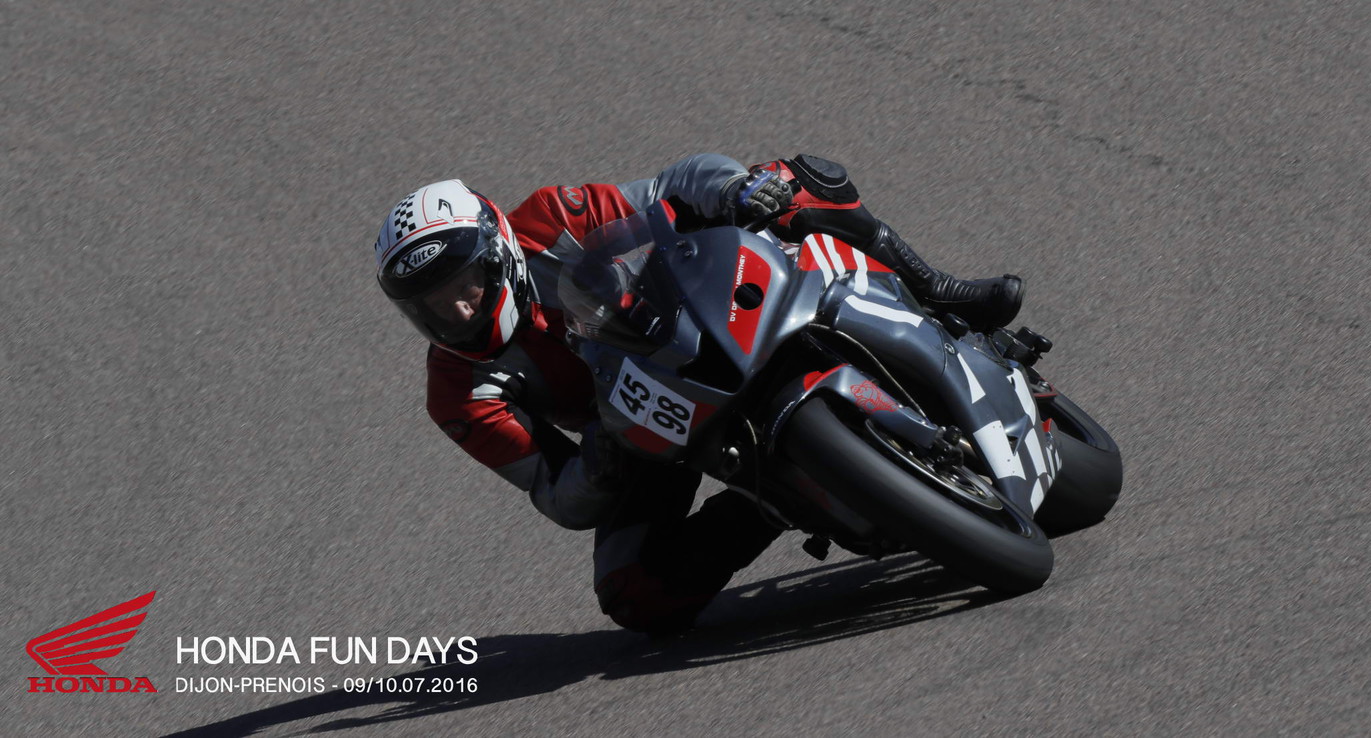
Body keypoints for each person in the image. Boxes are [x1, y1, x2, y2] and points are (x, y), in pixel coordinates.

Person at [374, 153, 1023, 634]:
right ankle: (776, 499)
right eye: (430, 305)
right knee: (634, 594)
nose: (456, 310)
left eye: (463, 283)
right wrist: (598, 464)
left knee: (799, 180)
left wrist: (738, 189)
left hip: (692, 313)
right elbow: (555, 494)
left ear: (498, 251)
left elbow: (673, 185)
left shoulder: (551, 219)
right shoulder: (458, 394)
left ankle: (937, 290)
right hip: (636, 429)